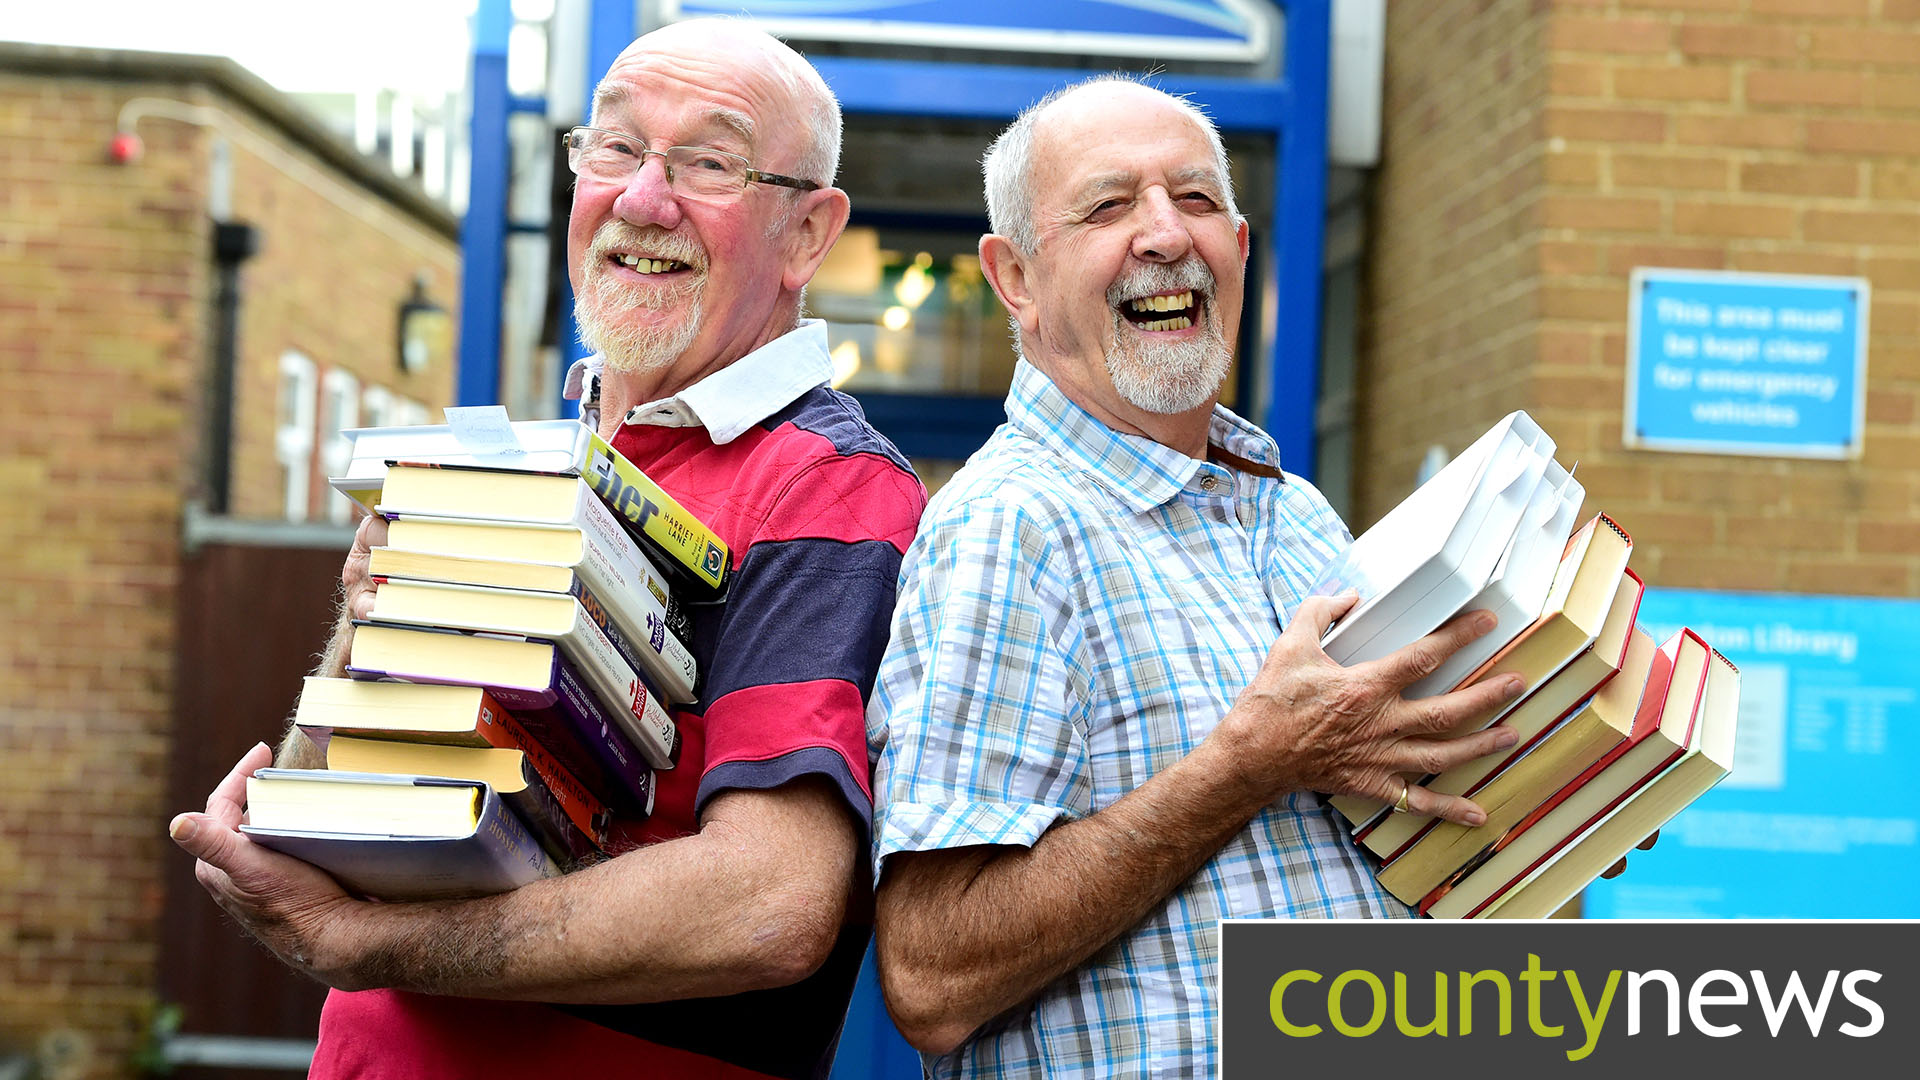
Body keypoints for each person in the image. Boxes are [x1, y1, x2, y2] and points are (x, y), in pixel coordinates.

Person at [169, 19, 926, 1079]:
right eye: (614, 148)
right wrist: (359, 639)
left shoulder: (828, 485)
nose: (643, 198)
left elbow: (770, 904)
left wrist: (364, 944)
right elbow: (347, 804)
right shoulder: (546, 455)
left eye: (708, 162)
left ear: (809, 232)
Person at [865, 77, 1531, 1077]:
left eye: (1196, 198)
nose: (1165, 235)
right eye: (1107, 205)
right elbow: (931, 973)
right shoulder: (1009, 526)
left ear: (1241, 248)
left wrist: (1562, 801)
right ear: (1015, 277)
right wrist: (1247, 763)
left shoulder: (1297, 515)